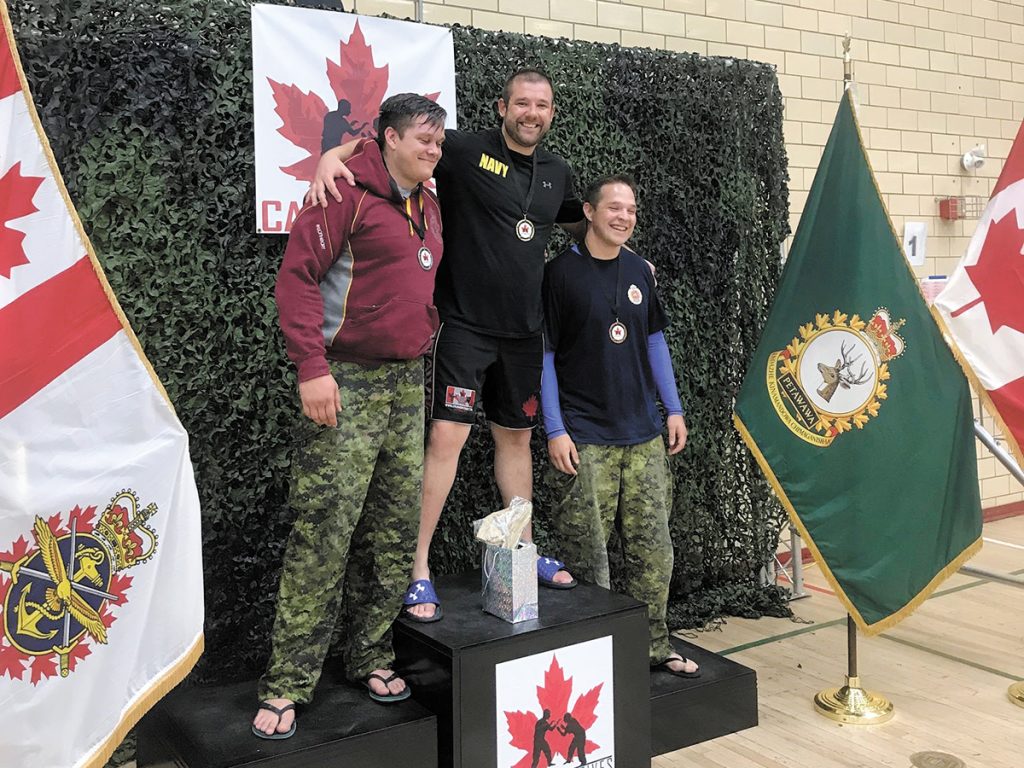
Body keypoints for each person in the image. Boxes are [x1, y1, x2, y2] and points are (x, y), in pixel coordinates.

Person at [311, 69, 584, 621]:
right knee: (447, 439)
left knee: (515, 440)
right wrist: (327, 160)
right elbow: (373, 141)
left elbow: (583, 226)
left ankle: (522, 548)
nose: (533, 113)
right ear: (502, 107)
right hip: (464, 328)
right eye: (524, 104)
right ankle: (418, 567)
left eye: (543, 106)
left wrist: (626, 260)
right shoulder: (461, 149)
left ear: (551, 113)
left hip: (524, 335)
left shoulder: (558, 172)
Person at [252, 93, 447, 740]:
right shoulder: (343, 193)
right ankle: (287, 683)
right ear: (387, 138)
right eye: (422, 138)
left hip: (405, 384)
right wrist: (311, 368)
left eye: (439, 141)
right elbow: (297, 279)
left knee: (392, 531)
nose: (433, 149)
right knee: (326, 529)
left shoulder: (428, 199)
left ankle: (369, 655)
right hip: (345, 382)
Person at [541, 174, 700, 679]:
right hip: (585, 439)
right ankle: (594, 662)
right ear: (589, 212)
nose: (623, 217)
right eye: (613, 207)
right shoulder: (559, 275)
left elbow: (655, 343)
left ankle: (654, 647)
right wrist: (554, 429)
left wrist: (672, 409)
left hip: (644, 435)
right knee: (588, 557)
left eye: (630, 209)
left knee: (654, 553)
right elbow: (542, 356)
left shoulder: (639, 271)